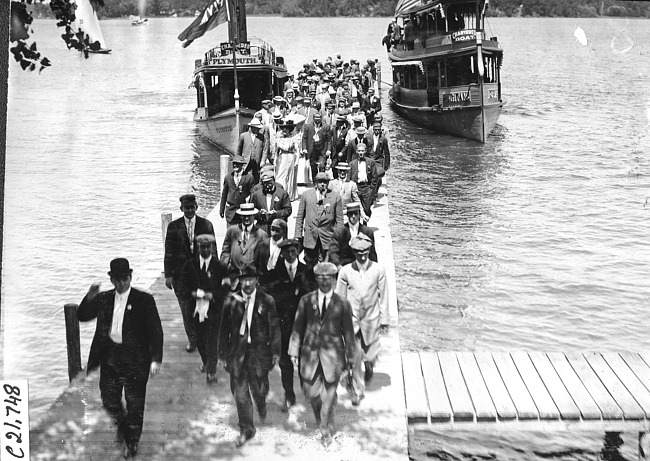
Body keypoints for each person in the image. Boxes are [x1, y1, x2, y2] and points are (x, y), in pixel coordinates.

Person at [78, 258, 163, 458]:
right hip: (110, 358)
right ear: (112, 279)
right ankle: (125, 429)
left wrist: (156, 359)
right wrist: (89, 297)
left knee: (135, 405)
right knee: (109, 400)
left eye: (125, 279)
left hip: (136, 361)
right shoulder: (104, 298)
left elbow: (156, 332)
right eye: (117, 279)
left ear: (130, 277)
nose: (121, 283)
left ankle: (132, 442)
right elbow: (82, 316)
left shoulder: (144, 300)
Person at [288, 262, 356, 447]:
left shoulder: (342, 304)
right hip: (310, 356)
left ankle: (326, 431)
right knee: (312, 393)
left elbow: (348, 333)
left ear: (334, 280)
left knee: (329, 397)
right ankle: (321, 419)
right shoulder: (306, 301)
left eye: (329, 278)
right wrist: (294, 349)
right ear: (316, 279)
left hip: (333, 358)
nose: (325, 282)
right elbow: (297, 327)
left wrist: (351, 358)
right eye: (321, 278)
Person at [218, 265, 281, 447]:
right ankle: (247, 428)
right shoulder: (231, 301)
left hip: (259, 353)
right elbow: (223, 330)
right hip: (237, 354)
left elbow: (274, 328)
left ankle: (261, 403)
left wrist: (276, 352)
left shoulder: (266, 300)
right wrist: (221, 355)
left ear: (256, 280)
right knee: (240, 393)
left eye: (250, 279)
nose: (246, 283)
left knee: (260, 388)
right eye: (243, 279)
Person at [335, 235, 389, 405]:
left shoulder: (379, 270)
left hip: (372, 319)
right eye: (359, 253)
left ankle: (370, 365)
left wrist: (385, 320)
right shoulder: (345, 271)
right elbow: (340, 297)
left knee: (369, 354)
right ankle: (357, 390)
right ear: (354, 253)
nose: (363, 256)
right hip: (353, 321)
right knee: (355, 357)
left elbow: (384, 296)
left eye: (365, 252)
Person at [259, 238, 310, 412]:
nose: (290, 253)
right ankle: (289, 394)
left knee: (304, 359)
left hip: (302, 326)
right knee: (285, 362)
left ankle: (307, 390)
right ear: (282, 253)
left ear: (298, 251)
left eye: (293, 250)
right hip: (282, 326)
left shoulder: (307, 272)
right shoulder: (274, 274)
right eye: (286, 251)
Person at [165, 194, 215, 352]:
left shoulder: (206, 224)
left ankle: (204, 338)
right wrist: (168, 275)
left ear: (196, 207)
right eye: (186, 208)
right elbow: (169, 252)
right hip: (181, 277)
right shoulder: (173, 227)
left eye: (192, 207)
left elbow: (213, 250)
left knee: (203, 307)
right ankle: (192, 339)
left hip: (201, 275)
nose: (189, 210)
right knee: (186, 310)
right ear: (181, 209)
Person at [180, 234, 228, 385]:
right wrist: (192, 293)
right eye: (202, 247)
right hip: (195, 309)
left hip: (214, 309)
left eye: (208, 247)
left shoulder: (220, 266)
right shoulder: (190, 265)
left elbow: (226, 287)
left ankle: (211, 371)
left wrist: (213, 295)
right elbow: (182, 286)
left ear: (213, 248)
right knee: (200, 340)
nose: (205, 250)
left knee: (212, 340)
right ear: (198, 248)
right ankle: (206, 361)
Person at [294, 172, 344, 266]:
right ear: (315, 183)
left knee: (327, 266)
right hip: (310, 237)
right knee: (309, 265)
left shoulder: (335, 197)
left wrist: (338, 238)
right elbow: (300, 217)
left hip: (327, 238)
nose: (322, 184)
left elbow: (340, 220)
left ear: (328, 183)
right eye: (320, 182)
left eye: (325, 182)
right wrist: (298, 235)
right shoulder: (306, 195)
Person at [220, 203, 269, 287]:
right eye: (244, 215)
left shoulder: (261, 235)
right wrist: (223, 274)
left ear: (254, 216)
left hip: (251, 280)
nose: (246, 218)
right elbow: (225, 253)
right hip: (233, 278)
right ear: (240, 216)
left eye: (249, 215)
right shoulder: (232, 231)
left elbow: (263, 262)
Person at [329, 202, 377, 269]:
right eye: (351, 214)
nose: (353, 216)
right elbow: (333, 253)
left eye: (355, 214)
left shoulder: (367, 231)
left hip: (363, 267)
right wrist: (338, 266)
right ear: (347, 215)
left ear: (359, 215)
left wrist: (373, 269)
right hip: (344, 267)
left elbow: (372, 254)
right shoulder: (339, 232)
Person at [249, 170, 292, 236]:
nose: (267, 185)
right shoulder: (257, 195)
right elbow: (251, 210)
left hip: (278, 227)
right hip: (262, 228)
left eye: (269, 182)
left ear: (274, 181)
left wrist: (277, 213)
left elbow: (288, 210)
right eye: (265, 183)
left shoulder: (282, 193)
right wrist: (259, 213)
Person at [219, 156, 256, 228]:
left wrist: (251, 210)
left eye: (238, 163)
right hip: (230, 212)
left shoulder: (249, 178)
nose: (235, 165)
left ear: (242, 165)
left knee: (242, 235)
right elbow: (224, 194)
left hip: (242, 212)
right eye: (234, 163)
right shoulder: (228, 178)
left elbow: (252, 195)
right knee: (231, 234)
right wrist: (221, 209)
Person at [349, 143, 378, 218]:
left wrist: (371, 189)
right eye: (359, 151)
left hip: (366, 187)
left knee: (366, 209)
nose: (361, 153)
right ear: (356, 151)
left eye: (362, 151)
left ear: (365, 151)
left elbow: (375, 177)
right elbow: (349, 177)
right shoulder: (352, 164)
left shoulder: (371, 162)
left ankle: (365, 222)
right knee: (356, 208)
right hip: (356, 188)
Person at [302, 112, 332, 182]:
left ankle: (322, 181)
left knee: (322, 165)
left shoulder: (326, 127)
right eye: (316, 118)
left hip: (322, 150)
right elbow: (304, 138)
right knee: (313, 167)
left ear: (321, 118)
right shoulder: (308, 127)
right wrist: (304, 149)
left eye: (319, 118)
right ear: (313, 118)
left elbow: (329, 140)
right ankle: (315, 183)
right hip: (312, 150)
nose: (317, 119)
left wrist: (328, 149)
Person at [274, 119, 300, 201]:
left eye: (286, 128)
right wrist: (275, 159)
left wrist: (297, 160)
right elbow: (276, 150)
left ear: (289, 129)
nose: (284, 130)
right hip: (282, 157)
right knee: (280, 175)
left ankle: (289, 194)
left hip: (290, 157)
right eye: (283, 128)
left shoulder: (293, 138)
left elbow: (297, 150)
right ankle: (280, 193)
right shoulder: (278, 137)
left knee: (290, 175)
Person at [237, 118, 268, 183]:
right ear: (252, 127)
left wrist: (263, 161)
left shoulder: (262, 137)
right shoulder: (243, 136)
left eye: (259, 128)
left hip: (257, 163)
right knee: (245, 179)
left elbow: (265, 150)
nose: (258, 129)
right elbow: (239, 150)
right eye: (257, 128)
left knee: (256, 179)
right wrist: (238, 161)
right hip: (246, 162)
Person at [365, 121, 390, 197]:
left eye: (378, 130)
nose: (376, 131)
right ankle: (371, 191)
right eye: (375, 129)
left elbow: (386, 152)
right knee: (370, 176)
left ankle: (375, 192)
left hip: (379, 160)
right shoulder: (368, 138)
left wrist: (386, 164)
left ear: (380, 130)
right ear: (373, 129)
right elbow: (366, 150)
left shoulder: (383, 139)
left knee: (378, 176)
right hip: (370, 159)